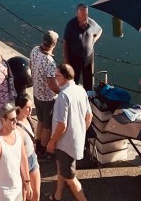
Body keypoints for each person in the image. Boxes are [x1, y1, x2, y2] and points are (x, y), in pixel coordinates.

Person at [45, 63, 92, 201]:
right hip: (75, 141)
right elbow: (89, 116)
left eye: (57, 76)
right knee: (62, 169)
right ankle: (57, 196)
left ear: (65, 77)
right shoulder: (80, 90)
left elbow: (61, 125)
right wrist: (81, 132)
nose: (55, 78)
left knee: (70, 178)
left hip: (64, 144)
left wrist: (52, 142)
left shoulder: (62, 96)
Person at [0, 101, 31, 201]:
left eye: (16, 118)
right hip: (3, 195)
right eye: (12, 119)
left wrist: (27, 182)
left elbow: (23, 158)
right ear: (3, 120)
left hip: (18, 190)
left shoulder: (19, 132)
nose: (16, 121)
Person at [29, 30, 60, 157]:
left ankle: (37, 143)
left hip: (36, 94)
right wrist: (61, 92)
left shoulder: (35, 50)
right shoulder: (50, 62)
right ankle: (43, 151)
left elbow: (31, 66)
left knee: (40, 121)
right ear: (54, 44)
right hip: (48, 99)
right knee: (48, 126)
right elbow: (52, 84)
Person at [62, 3, 102, 90]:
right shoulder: (71, 25)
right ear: (77, 14)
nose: (85, 16)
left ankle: (88, 97)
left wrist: (94, 40)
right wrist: (67, 62)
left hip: (88, 58)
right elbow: (65, 44)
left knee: (89, 81)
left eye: (87, 14)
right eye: (83, 14)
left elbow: (100, 30)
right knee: (73, 81)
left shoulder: (91, 23)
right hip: (74, 58)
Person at [15, 94, 41, 201]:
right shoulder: (16, 127)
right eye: (27, 107)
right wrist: (27, 182)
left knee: (36, 195)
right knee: (23, 197)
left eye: (31, 106)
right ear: (19, 109)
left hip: (32, 158)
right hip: (21, 164)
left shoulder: (28, 119)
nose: (31, 110)